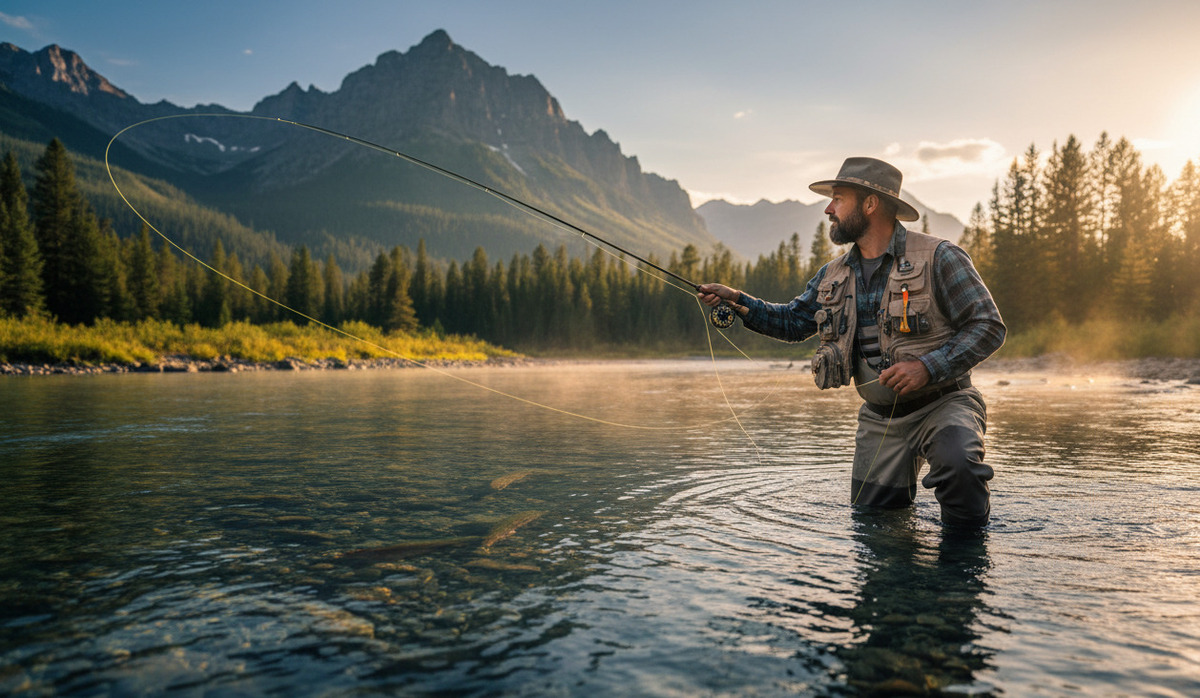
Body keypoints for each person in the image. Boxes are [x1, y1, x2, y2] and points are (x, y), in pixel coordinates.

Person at [698, 157, 1006, 527]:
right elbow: (793, 322)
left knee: (960, 468)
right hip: (880, 420)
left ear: (870, 203)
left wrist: (926, 368)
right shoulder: (833, 274)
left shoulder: (940, 256)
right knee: (873, 527)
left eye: (838, 199)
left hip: (945, 403)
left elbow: (988, 326)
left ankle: (965, 557)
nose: (828, 209)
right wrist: (738, 301)